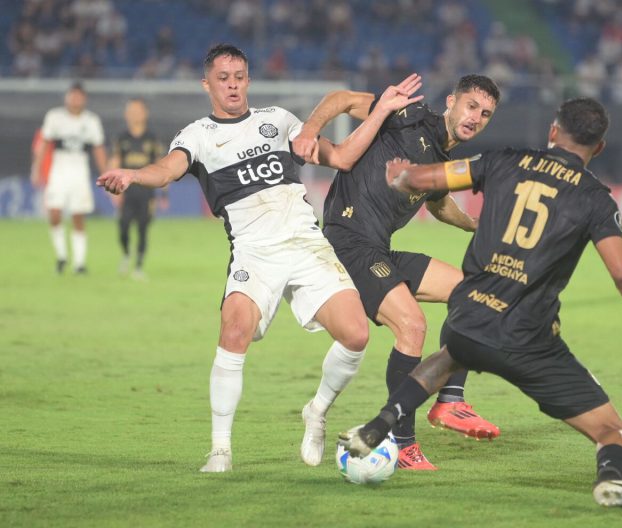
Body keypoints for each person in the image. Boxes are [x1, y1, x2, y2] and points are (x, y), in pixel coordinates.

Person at [339, 97, 622, 508]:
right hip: (529, 339)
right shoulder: (595, 199)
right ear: (599, 148)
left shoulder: (502, 161)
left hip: (470, 317)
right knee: (613, 432)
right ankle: (609, 478)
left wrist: (403, 176)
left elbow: (430, 178)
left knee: (449, 354)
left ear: (553, 132)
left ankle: (381, 423)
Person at [97, 44, 424, 473]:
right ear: (207, 84)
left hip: (306, 245)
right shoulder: (197, 135)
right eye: (223, 77)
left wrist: (380, 110)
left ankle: (317, 412)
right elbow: (168, 169)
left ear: (248, 80)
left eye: (239, 76)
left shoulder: (278, 121)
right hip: (255, 251)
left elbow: (342, 157)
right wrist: (134, 175)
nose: (232, 84)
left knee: (356, 335)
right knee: (234, 330)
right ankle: (220, 450)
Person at [293, 75, 501, 470]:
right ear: (452, 101)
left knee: (472, 292)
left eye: (485, 113)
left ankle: (451, 400)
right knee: (413, 325)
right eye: (471, 106)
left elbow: (440, 206)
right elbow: (340, 98)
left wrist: (478, 226)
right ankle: (402, 442)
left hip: (379, 250)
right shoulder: (409, 115)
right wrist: (309, 130)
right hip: (348, 241)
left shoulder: (444, 160)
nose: (476, 117)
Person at [31, 82, 108, 274]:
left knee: (78, 216)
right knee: (55, 213)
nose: (75, 99)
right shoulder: (55, 117)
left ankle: (79, 263)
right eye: (72, 95)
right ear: (67, 97)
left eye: (79, 96)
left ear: (84, 99)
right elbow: (44, 144)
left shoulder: (91, 121)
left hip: (79, 173)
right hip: (58, 172)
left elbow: (98, 149)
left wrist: (106, 174)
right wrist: (36, 168)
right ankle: (61, 256)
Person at [108, 98, 168, 280]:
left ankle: (139, 267)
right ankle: (126, 254)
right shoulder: (121, 139)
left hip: (146, 192)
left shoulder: (152, 139)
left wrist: (164, 194)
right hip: (126, 191)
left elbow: (162, 167)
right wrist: (112, 190)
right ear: (127, 114)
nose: (134, 113)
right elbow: (115, 162)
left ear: (145, 113)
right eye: (131, 110)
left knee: (143, 228)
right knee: (123, 226)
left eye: (138, 110)